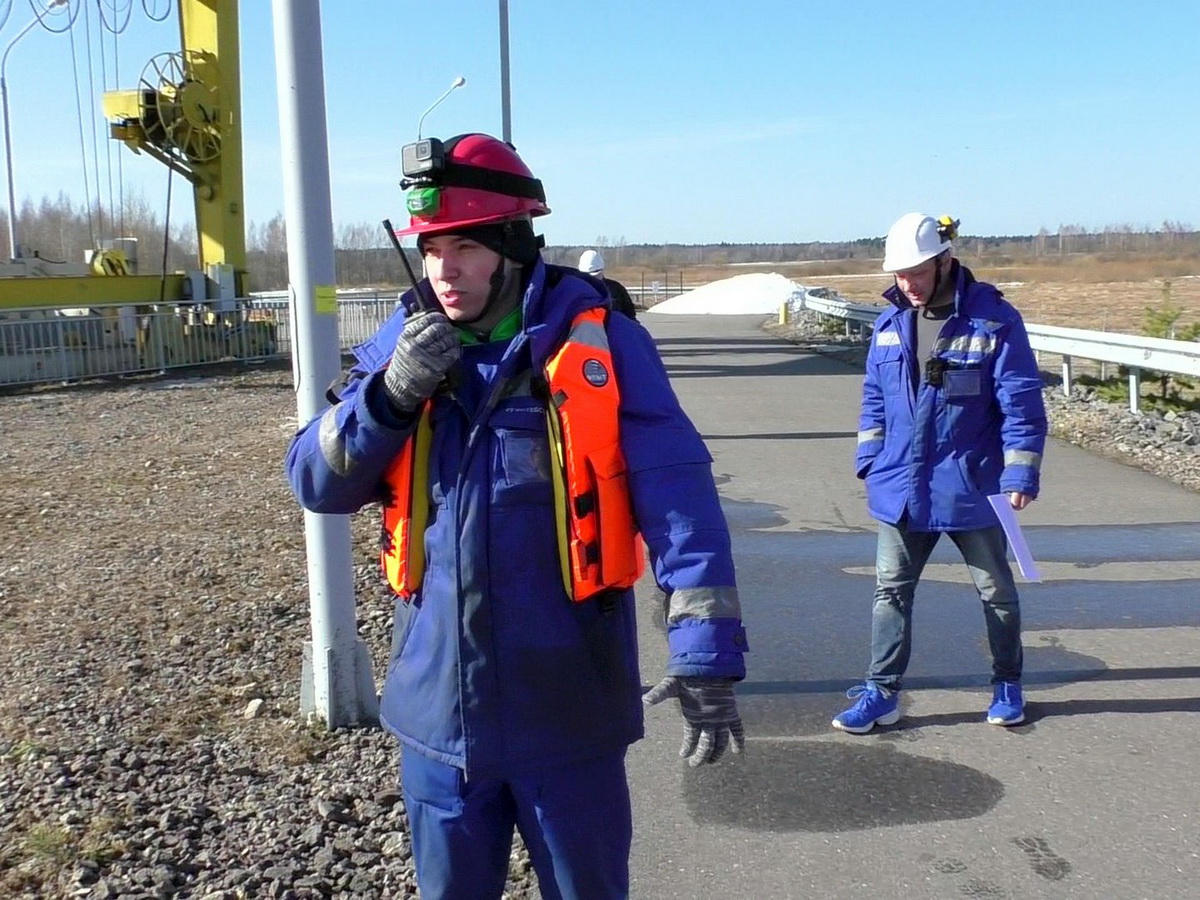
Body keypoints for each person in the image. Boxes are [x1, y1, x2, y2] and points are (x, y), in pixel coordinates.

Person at [284, 133, 747, 900]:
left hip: (567, 717)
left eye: (464, 246)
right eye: (432, 249)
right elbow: (314, 479)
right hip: (438, 721)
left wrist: (706, 656)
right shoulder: (403, 341)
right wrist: (388, 398)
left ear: (514, 245)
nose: (444, 269)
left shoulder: (603, 342)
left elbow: (681, 504)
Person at [833, 212, 1047, 734]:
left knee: (995, 591)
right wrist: (870, 459)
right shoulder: (889, 324)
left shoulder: (993, 321)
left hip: (972, 485)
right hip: (900, 489)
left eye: (917, 272)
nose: (907, 284)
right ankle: (881, 693)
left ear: (945, 262)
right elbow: (874, 400)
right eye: (900, 274)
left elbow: (1021, 403)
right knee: (890, 591)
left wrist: (1019, 474)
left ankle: (1007, 684)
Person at [578, 248, 639, 319]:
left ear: (601, 269)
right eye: (587, 276)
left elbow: (630, 314)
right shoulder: (576, 292)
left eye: (595, 276)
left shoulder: (616, 289)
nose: (592, 280)